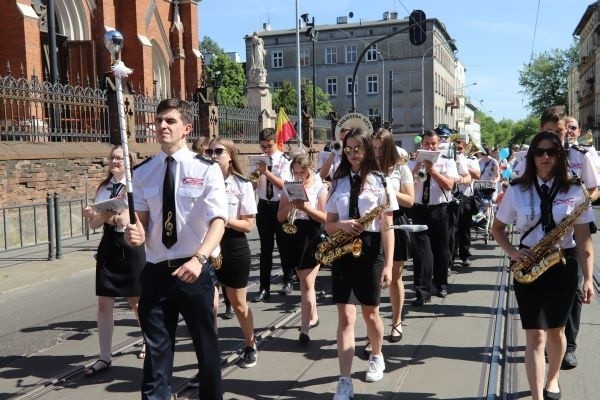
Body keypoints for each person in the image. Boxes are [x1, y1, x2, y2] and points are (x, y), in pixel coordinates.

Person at [125, 98, 227, 400]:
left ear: (186, 128)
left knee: (206, 350)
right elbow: (142, 224)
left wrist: (199, 259)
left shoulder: (206, 169)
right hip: (156, 273)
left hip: (194, 271)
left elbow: (219, 221)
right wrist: (136, 233)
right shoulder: (143, 173)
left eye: (170, 121)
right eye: (159, 121)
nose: (162, 126)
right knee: (156, 355)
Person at [491, 131, 596, 400]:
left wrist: (587, 279)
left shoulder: (575, 189)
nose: (545, 157)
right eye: (539, 152)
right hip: (529, 264)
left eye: (551, 152)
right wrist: (513, 252)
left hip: (563, 264)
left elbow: (583, 238)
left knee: (556, 332)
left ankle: (553, 378)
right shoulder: (517, 190)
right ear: (531, 156)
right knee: (535, 336)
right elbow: (498, 229)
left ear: (560, 155)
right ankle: (538, 396)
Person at [324, 128, 398, 399]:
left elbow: (388, 227)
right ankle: (344, 380)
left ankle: (377, 354)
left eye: (358, 149)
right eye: (348, 149)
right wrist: (341, 224)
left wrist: (389, 265)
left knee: (370, 313)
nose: (353, 154)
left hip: (370, 249)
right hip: (343, 248)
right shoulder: (338, 180)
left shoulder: (381, 181)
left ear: (367, 150)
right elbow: (328, 223)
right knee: (345, 316)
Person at [536, 106, 600, 370]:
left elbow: (595, 189)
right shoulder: (534, 156)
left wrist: (578, 207)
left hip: (572, 236)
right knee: (542, 295)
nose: (555, 136)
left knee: (572, 295)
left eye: (560, 131)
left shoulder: (580, 156)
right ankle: (548, 340)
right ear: (542, 131)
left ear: (567, 131)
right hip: (540, 238)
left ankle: (568, 346)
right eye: (549, 131)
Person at [81, 146, 146, 377]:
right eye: (112, 158)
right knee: (104, 304)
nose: (115, 161)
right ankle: (104, 356)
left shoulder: (136, 186)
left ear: (129, 162)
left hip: (131, 245)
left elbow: (126, 219)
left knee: (136, 301)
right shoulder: (103, 187)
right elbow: (94, 225)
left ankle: (147, 341)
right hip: (109, 245)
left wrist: (107, 216)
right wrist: (95, 216)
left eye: (120, 158)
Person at [206, 137, 259, 367]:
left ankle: (250, 344)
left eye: (218, 151)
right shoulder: (201, 182)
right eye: (210, 151)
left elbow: (248, 225)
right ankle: (211, 352)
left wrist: (224, 220)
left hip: (233, 246)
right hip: (207, 245)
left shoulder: (241, 184)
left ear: (230, 156)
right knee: (209, 303)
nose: (213, 155)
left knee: (238, 303)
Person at [277, 153, 327, 345]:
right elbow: (280, 218)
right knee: (305, 282)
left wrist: (305, 208)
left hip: (312, 234)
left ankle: (304, 329)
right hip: (294, 235)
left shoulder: (319, 187)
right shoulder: (289, 187)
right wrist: (290, 205)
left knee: (306, 283)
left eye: (302, 172)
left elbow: (324, 217)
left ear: (311, 169)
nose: (298, 176)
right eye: (295, 172)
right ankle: (313, 314)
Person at [371, 128, 414, 343]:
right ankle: (373, 329)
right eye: (374, 147)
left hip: (396, 220)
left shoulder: (401, 168)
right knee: (372, 278)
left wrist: (388, 189)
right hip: (372, 221)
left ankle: (396, 321)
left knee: (395, 276)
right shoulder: (367, 166)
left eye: (381, 148)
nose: (377, 152)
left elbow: (410, 200)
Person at [408, 130, 459, 304]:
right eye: (427, 143)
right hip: (419, 209)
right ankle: (422, 293)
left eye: (433, 143)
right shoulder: (411, 163)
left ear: (438, 144)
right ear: (422, 144)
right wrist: (417, 166)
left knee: (442, 251)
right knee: (421, 253)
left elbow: (449, 186)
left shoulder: (447, 162)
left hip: (440, 209)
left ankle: (441, 284)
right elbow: (406, 184)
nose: (430, 146)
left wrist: (433, 171)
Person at [252, 128, 293, 302]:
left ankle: (288, 279)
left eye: (268, 146)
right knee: (265, 248)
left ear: (275, 142)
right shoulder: (258, 160)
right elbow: (253, 185)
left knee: (284, 246)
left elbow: (283, 185)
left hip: (280, 205)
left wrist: (266, 172)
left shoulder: (284, 161)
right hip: (264, 206)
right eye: (263, 146)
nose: (266, 149)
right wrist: (254, 179)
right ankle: (264, 287)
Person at [453, 135, 480, 267]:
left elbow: (477, 175)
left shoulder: (471, 158)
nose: (460, 145)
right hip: (452, 195)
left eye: (462, 143)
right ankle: (451, 256)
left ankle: (465, 255)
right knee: (453, 229)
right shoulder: (450, 156)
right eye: (458, 142)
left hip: (466, 196)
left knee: (464, 228)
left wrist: (462, 163)